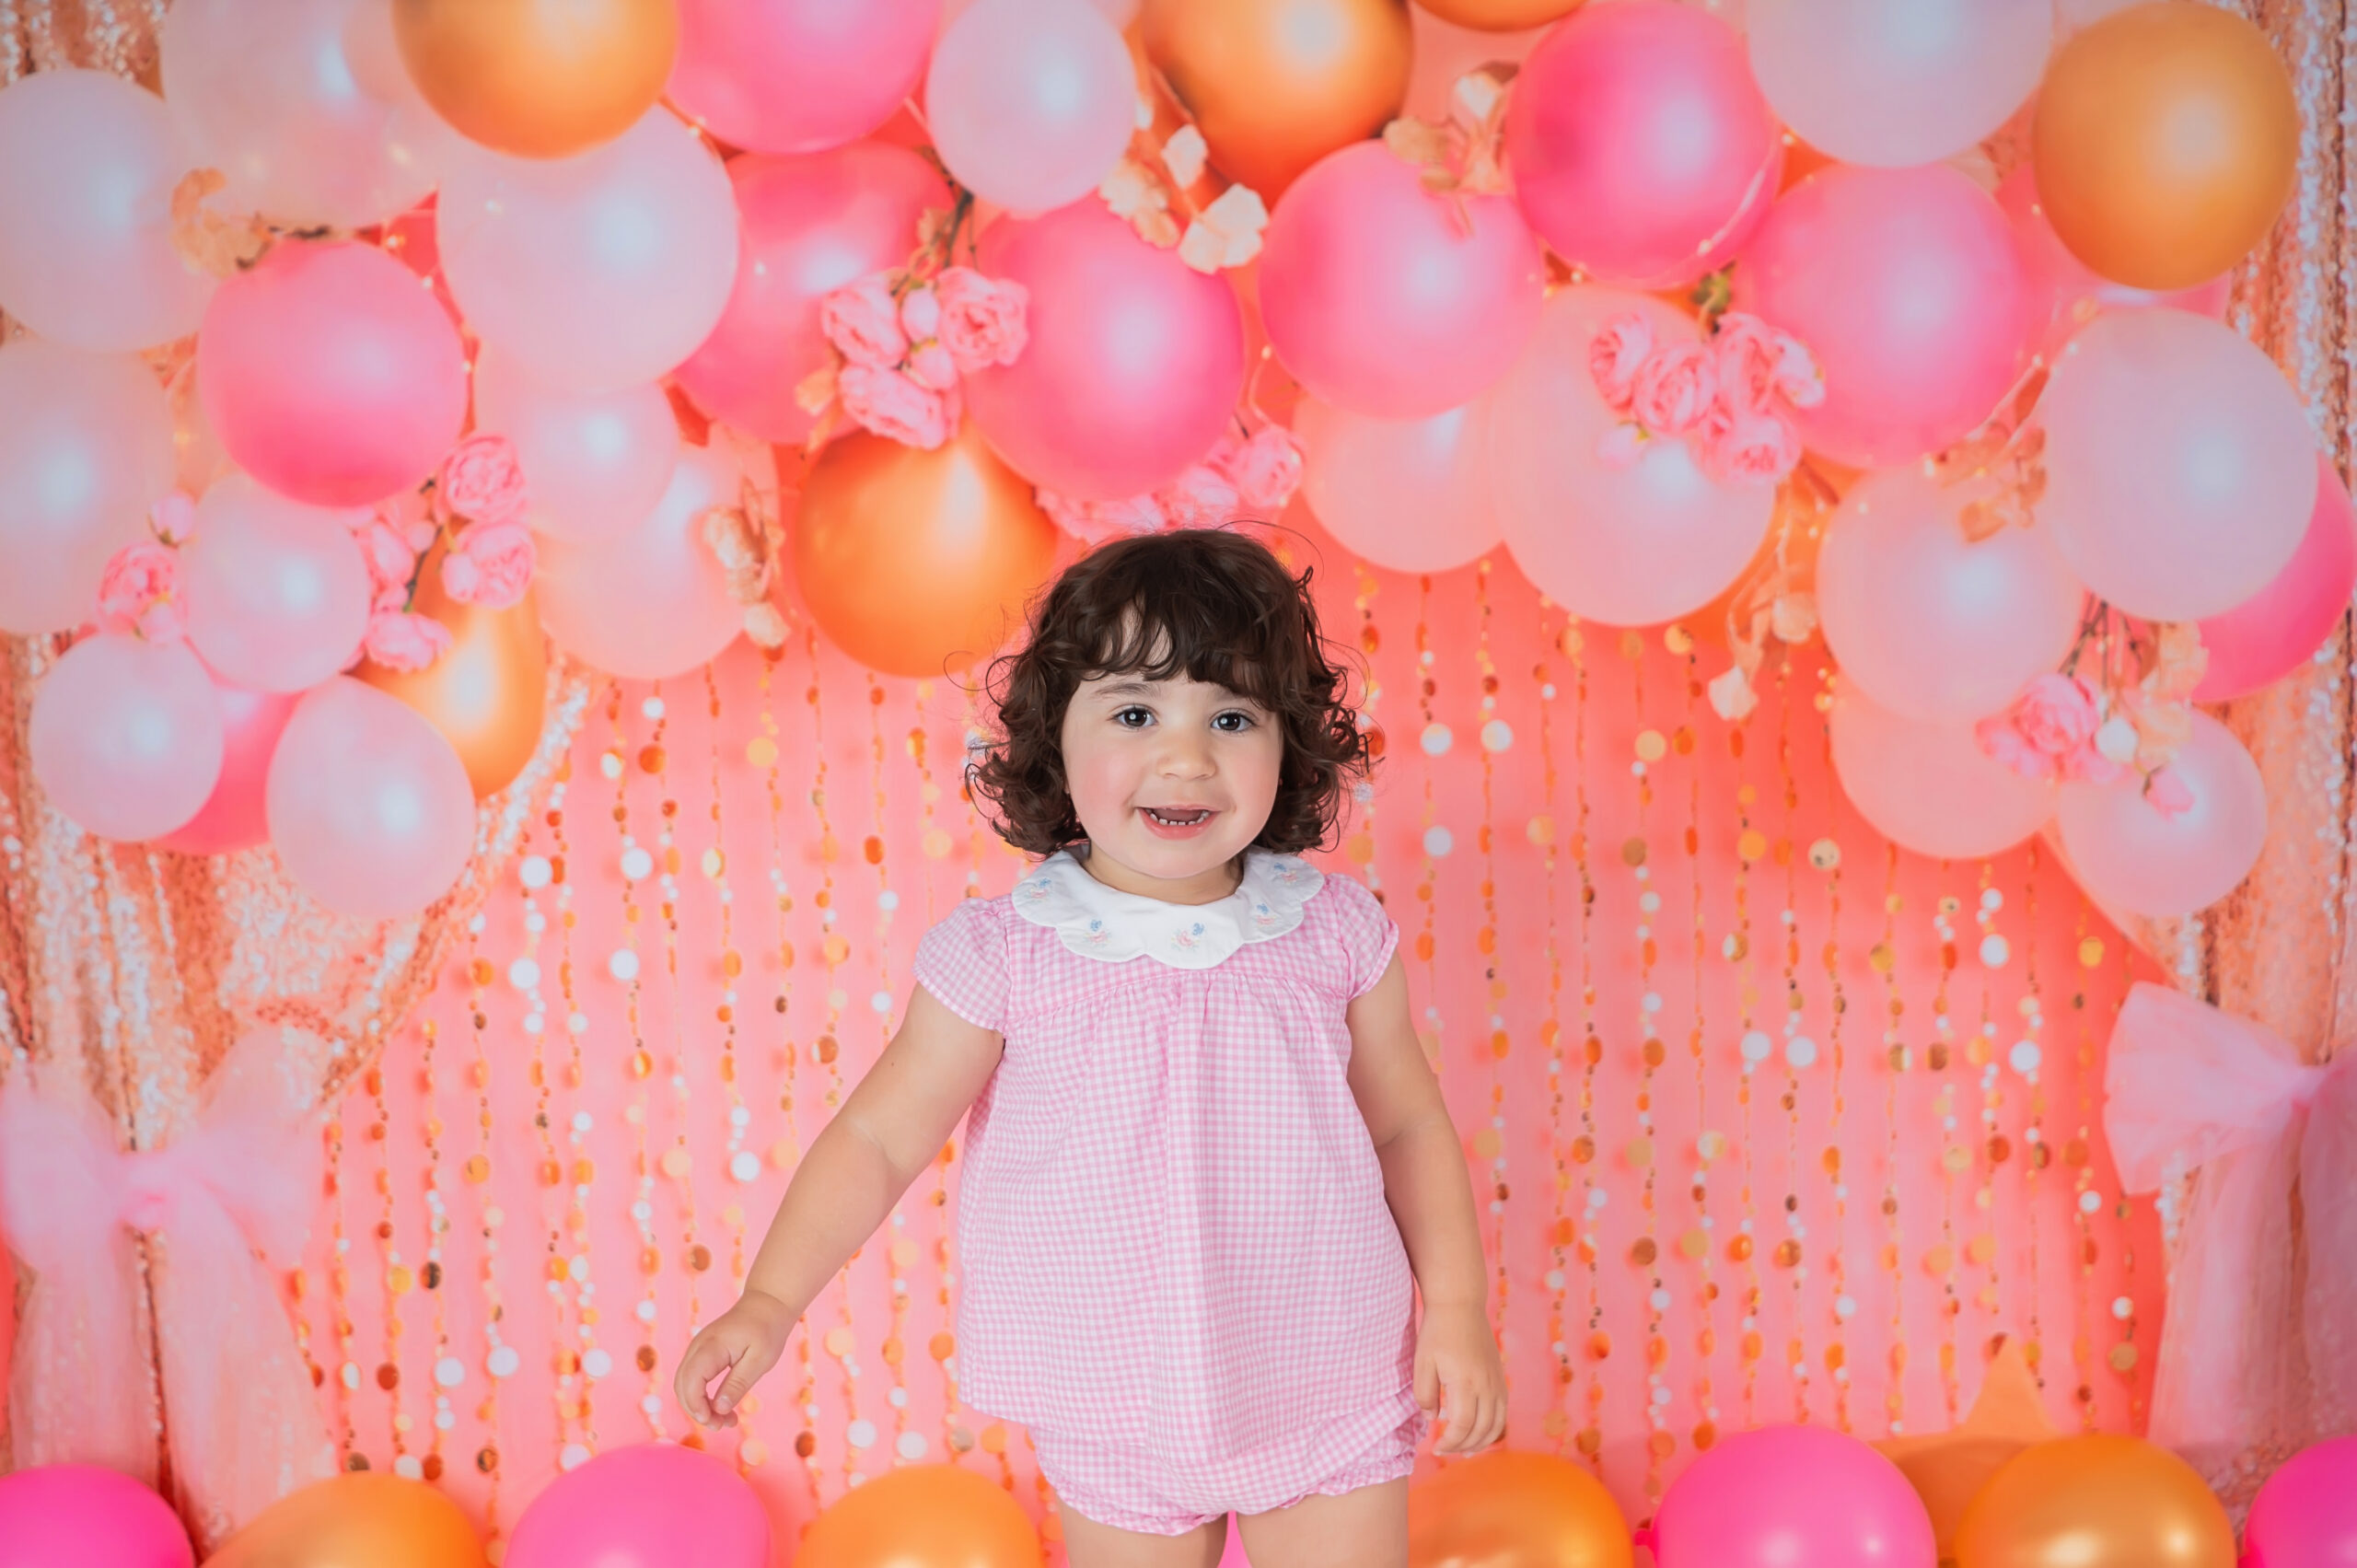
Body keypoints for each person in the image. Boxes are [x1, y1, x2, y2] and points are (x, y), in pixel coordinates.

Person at [677, 528, 1504, 1568]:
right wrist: (770, 1297)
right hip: (1110, 1396)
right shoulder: (1010, 953)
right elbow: (879, 1139)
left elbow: (1407, 1125)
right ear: (1054, 742)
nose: (1187, 757)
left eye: (1232, 716)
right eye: (1134, 712)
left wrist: (1457, 1308)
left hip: (1325, 1373)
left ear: (1288, 742)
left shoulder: (1331, 931)